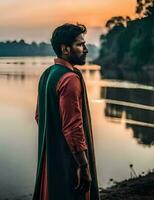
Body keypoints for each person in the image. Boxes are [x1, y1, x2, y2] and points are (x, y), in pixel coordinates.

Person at [33, 23, 100, 200]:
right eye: (80, 45)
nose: (85, 49)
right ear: (65, 49)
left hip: (52, 158)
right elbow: (72, 127)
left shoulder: (48, 74)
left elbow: (40, 116)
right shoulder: (70, 79)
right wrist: (83, 166)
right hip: (69, 160)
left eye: (84, 44)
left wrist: (55, 143)